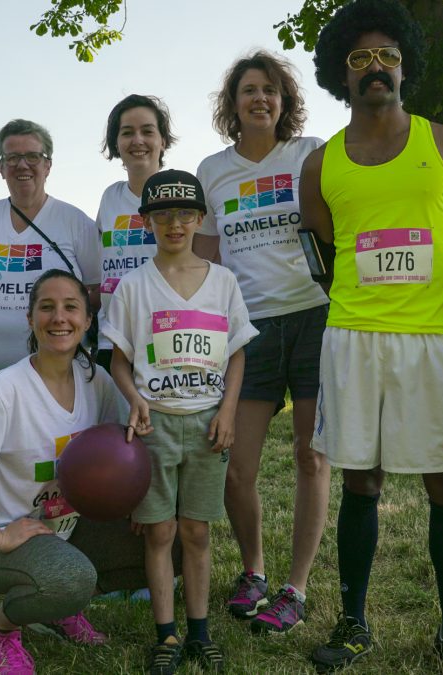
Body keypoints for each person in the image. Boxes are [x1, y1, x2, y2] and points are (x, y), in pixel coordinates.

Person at [301, 2, 443, 672]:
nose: (375, 67)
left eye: (386, 54)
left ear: (404, 62)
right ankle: (354, 622)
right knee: (359, 478)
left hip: (434, 339)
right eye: (359, 58)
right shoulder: (320, 165)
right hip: (355, 336)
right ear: (342, 72)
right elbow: (326, 255)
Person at [0, 269, 149, 675]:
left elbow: (124, 446)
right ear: (30, 320)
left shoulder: (94, 381)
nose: (59, 317)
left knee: (170, 537)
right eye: (46, 307)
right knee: (69, 577)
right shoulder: (6, 389)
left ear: (87, 319)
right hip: (3, 539)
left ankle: (58, 606)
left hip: (68, 530)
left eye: (70, 307)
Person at [191, 50, 330, 634]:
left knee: (310, 456)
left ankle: (295, 588)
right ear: (233, 103)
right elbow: (203, 253)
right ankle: (254, 571)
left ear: (284, 100)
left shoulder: (309, 155)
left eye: (270, 90)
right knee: (234, 463)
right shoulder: (212, 170)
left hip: (315, 317)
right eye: (249, 90)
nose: (260, 99)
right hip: (248, 329)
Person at [103, 169, 257, 675]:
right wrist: (133, 399)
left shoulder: (223, 281)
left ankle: (199, 630)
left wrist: (229, 410)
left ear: (199, 218)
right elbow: (119, 361)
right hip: (156, 426)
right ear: (146, 221)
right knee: (159, 532)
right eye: (162, 214)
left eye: (184, 213)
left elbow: (236, 353)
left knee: (196, 531)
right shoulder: (133, 287)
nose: (174, 224)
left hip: (209, 424)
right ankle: (165, 635)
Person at [0, 119, 100, 408]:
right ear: (0, 167)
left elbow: (95, 291)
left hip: (51, 375)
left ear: (48, 165)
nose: (22, 165)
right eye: (12, 157)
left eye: (32, 156)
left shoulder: (76, 223)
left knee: (45, 452)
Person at [94, 94, 175, 372]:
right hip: (112, 339)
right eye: (127, 132)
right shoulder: (110, 197)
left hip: (167, 335)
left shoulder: (180, 189)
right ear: (116, 143)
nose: (137, 140)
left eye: (147, 131)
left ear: (162, 140)